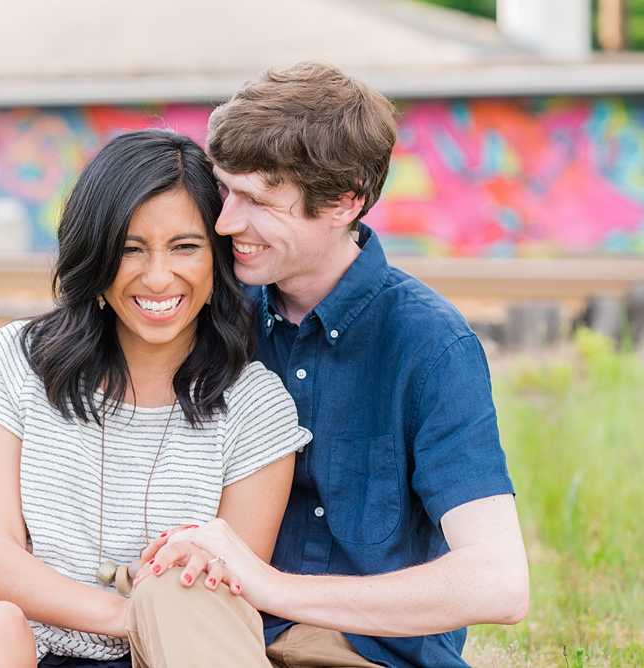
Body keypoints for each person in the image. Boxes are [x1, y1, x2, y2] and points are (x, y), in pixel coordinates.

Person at [135, 61, 530, 667]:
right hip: (214, 631)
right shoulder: (207, 307)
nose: (225, 222)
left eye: (260, 200)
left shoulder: (429, 344)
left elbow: (498, 582)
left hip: (365, 653)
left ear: (346, 201)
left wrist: (275, 588)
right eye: (225, 189)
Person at [0, 128, 310, 668]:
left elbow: (224, 589)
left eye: (185, 247)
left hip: (145, 655)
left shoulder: (256, 407)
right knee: (1, 629)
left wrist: (156, 616)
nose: (157, 277)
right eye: (130, 249)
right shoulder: (20, 358)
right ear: (95, 253)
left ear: (217, 255)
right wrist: (127, 613)